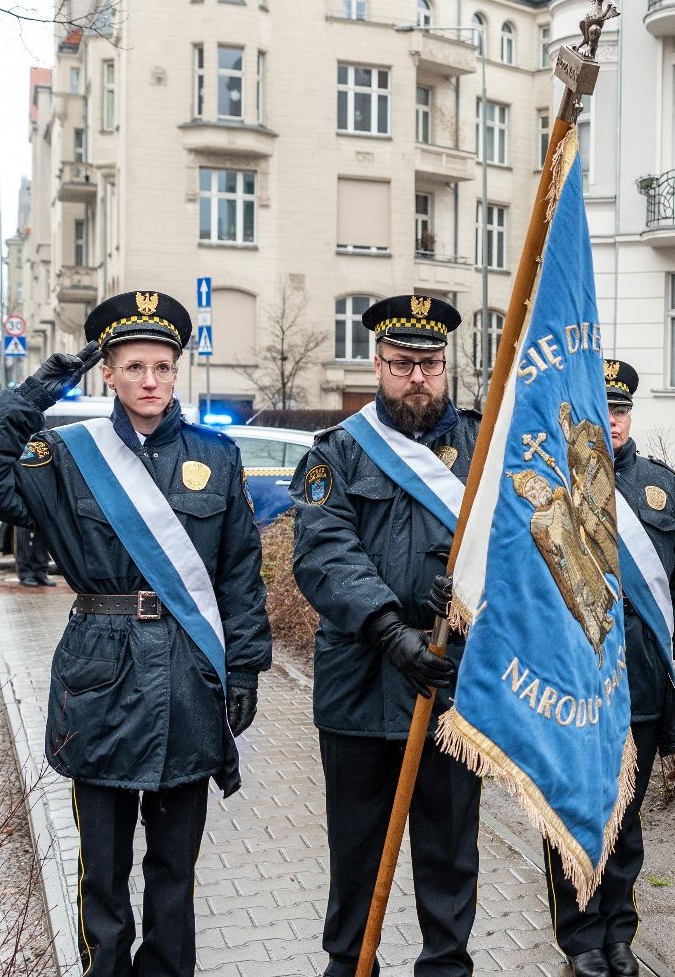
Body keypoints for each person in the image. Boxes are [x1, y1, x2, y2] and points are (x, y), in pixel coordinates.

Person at [0, 290, 272, 977]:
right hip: (101, 675)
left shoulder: (218, 453)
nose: (150, 381)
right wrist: (39, 386)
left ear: (176, 372)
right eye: (134, 367)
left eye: (162, 366)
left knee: (176, 870)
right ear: (109, 375)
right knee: (103, 871)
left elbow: (239, 574)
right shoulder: (64, 456)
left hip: (189, 678)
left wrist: (244, 670)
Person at [291, 295, 481, 977]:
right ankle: (349, 961)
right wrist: (389, 627)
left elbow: (517, 546)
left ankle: (446, 964)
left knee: (451, 844)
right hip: (362, 681)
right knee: (357, 844)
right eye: (402, 364)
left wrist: (469, 595)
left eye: (430, 364)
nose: (418, 378)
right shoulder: (337, 453)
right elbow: (323, 553)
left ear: (444, 366)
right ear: (378, 364)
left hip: (453, 681)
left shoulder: (484, 451)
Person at [545, 358, 675, 977]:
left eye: (618, 409)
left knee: (626, 822)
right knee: (575, 814)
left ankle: (618, 934)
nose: (610, 420)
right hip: (575, 685)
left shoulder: (665, 489)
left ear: (629, 414)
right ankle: (580, 937)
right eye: (599, 409)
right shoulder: (557, 484)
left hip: (641, 684)